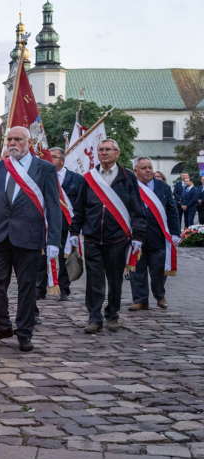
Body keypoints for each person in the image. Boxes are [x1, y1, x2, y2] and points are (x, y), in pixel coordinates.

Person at [0, 126, 61, 352]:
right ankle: (2, 325)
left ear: (29, 142)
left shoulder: (45, 169)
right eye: (10, 139)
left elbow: (53, 206)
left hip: (29, 236)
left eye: (18, 139)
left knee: (27, 286)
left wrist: (54, 240)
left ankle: (24, 332)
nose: (13, 143)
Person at [68, 138, 146, 333]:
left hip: (117, 238)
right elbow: (80, 208)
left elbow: (137, 210)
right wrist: (74, 230)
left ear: (117, 153)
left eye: (108, 150)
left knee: (115, 280)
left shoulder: (127, 177)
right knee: (94, 281)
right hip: (92, 237)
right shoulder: (89, 178)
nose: (103, 153)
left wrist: (138, 236)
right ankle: (94, 318)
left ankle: (112, 315)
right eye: (101, 149)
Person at [128, 157, 179, 311]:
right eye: (144, 168)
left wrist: (175, 233)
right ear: (136, 170)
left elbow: (172, 211)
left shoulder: (163, 187)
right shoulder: (130, 186)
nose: (148, 171)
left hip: (159, 237)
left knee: (159, 270)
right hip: (136, 237)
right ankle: (140, 300)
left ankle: (160, 296)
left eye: (150, 167)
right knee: (137, 271)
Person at [38, 147, 84, 302]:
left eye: (54, 157)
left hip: (67, 225)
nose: (50, 160)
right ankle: (40, 288)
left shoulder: (76, 179)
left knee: (65, 258)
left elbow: (80, 204)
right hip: (46, 224)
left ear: (62, 160)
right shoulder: (41, 176)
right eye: (49, 157)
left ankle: (64, 289)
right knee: (42, 257)